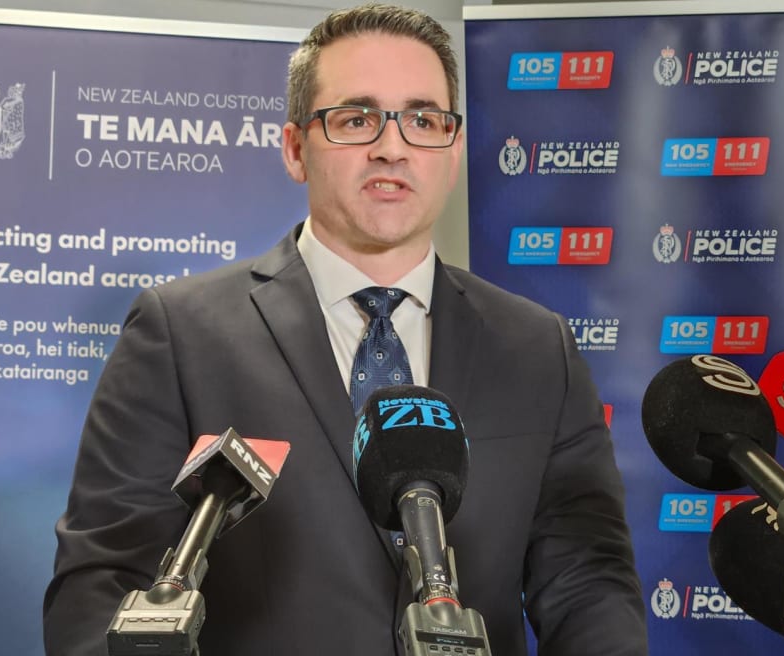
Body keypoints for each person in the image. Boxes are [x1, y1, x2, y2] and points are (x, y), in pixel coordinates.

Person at [42, 4, 648, 655]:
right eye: (357, 119)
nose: (393, 146)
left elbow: (587, 583)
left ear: (453, 150)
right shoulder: (180, 333)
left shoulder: (537, 348)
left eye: (423, 120)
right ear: (295, 148)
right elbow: (102, 582)